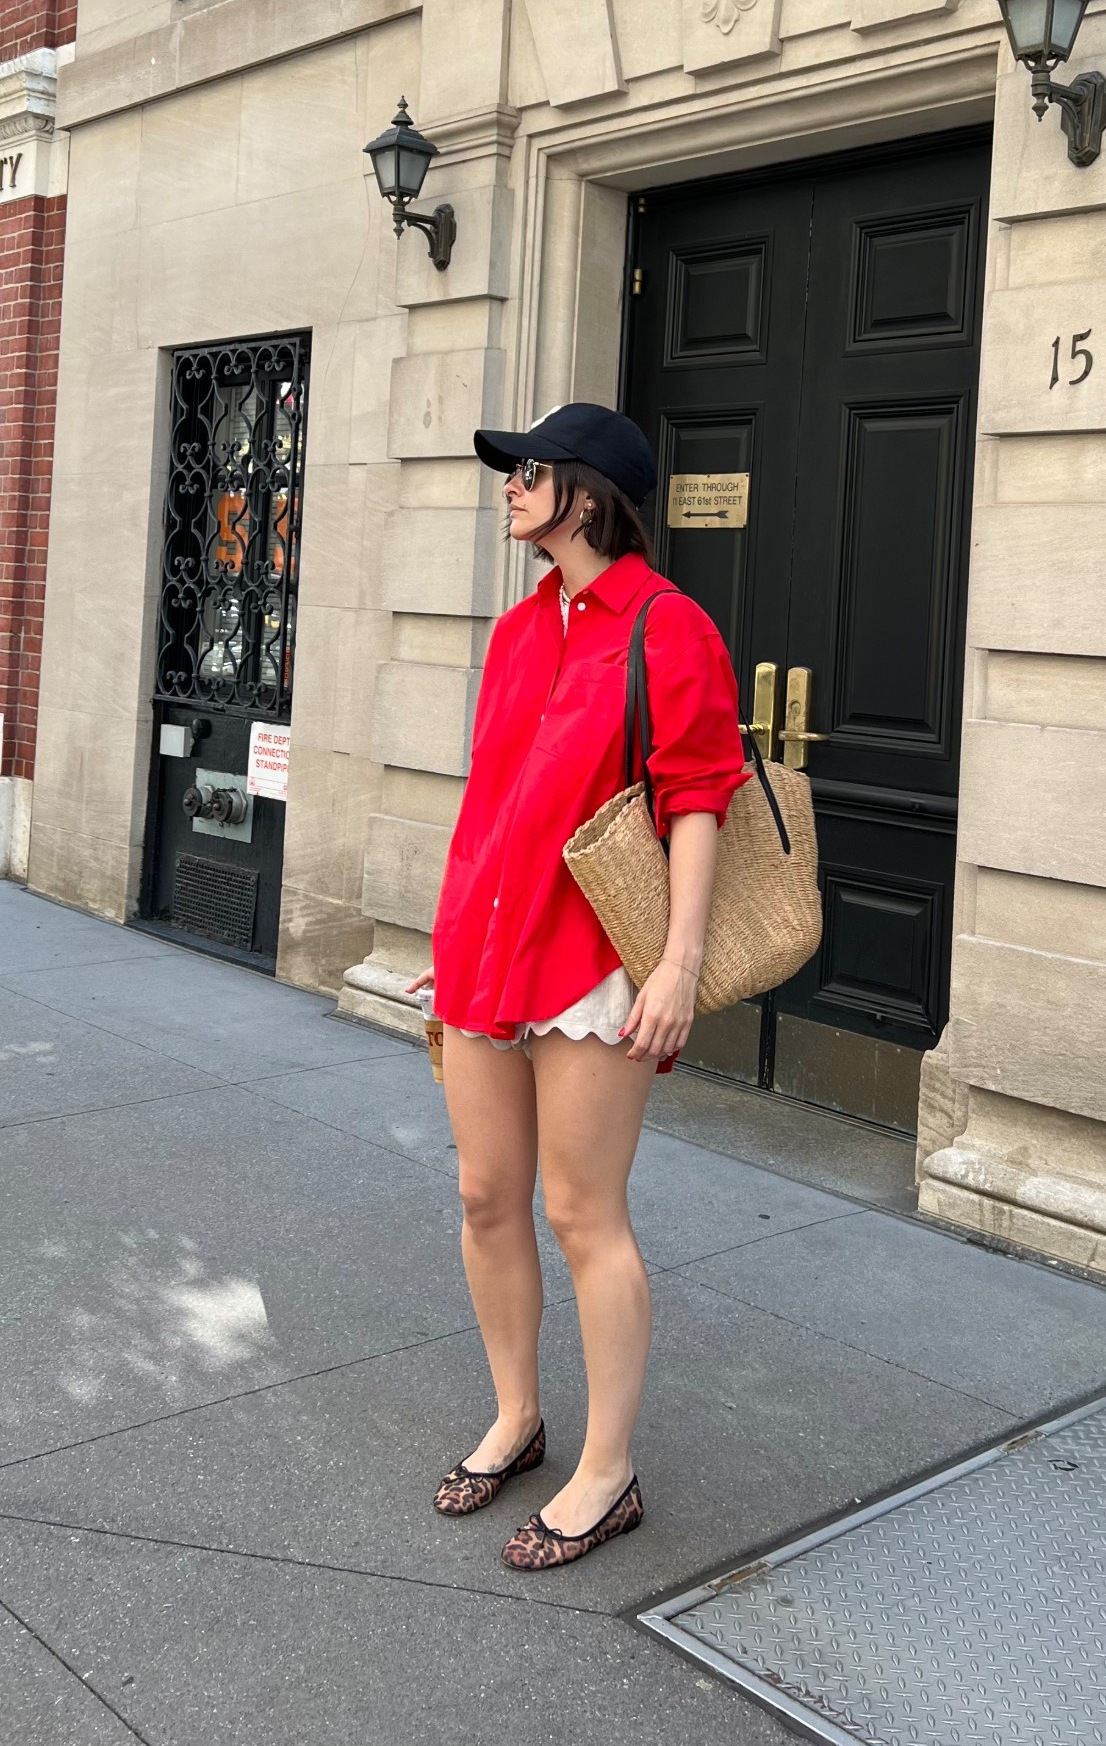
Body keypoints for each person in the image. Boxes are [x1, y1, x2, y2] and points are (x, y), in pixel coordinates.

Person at [406, 403, 746, 1571]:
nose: (509, 488)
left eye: (528, 472)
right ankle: (518, 1415)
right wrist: (453, 942)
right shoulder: (516, 632)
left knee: (580, 1211)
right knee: (485, 1196)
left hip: (594, 966)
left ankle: (608, 1469)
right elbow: (493, 808)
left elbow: (698, 795)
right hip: (487, 953)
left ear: (587, 496)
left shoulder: (666, 625)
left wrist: (678, 964)